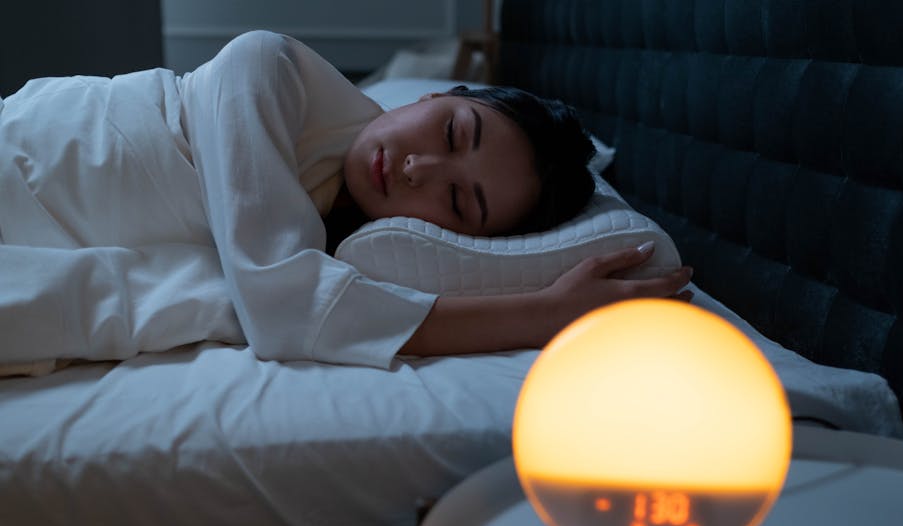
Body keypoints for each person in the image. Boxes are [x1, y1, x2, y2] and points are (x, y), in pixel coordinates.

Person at [0, 31, 692, 371]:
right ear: (434, 95)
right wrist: (541, 314)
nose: (418, 168)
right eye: (452, 131)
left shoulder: (335, 235)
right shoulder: (263, 67)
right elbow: (286, 308)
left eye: (458, 202)